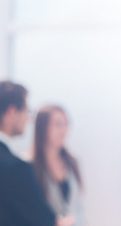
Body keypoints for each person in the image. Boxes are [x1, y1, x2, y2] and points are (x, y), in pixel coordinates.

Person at [0, 80, 73, 226]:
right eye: (26, 111)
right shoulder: (16, 167)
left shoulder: (71, 162)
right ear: (12, 112)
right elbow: (46, 221)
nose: (27, 118)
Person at [32, 104, 85, 226]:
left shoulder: (73, 161)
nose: (64, 130)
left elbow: (78, 206)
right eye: (58, 124)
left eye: (66, 124)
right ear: (42, 127)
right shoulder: (28, 165)